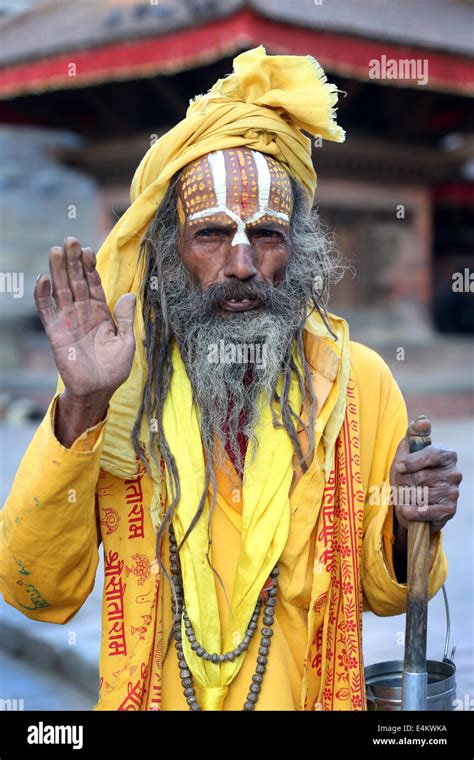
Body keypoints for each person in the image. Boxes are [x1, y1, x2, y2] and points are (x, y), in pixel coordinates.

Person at [0, 47, 461, 711]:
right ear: (169, 250)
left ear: (296, 249)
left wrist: (412, 523)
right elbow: (37, 591)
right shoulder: (119, 393)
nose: (241, 263)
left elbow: (385, 593)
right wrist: (82, 403)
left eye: (266, 235)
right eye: (212, 234)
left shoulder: (360, 381)